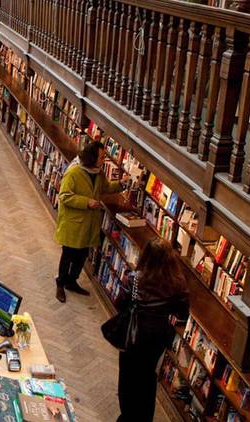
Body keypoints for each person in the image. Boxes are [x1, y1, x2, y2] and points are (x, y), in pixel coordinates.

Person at [115, 237, 189, 422]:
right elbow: (182, 313)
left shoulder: (134, 279)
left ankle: (128, 416)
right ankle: (144, 417)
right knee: (148, 375)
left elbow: (120, 303)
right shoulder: (177, 283)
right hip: (157, 337)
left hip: (134, 333)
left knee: (128, 377)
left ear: (146, 255)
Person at [55, 141, 127, 303]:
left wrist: (122, 185)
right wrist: (87, 202)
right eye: (101, 156)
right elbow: (64, 196)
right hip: (73, 224)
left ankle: (72, 281)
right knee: (68, 255)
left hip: (88, 224)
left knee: (81, 256)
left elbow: (105, 187)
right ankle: (60, 283)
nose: (104, 159)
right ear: (92, 158)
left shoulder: (98, 172)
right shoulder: (73, 172)